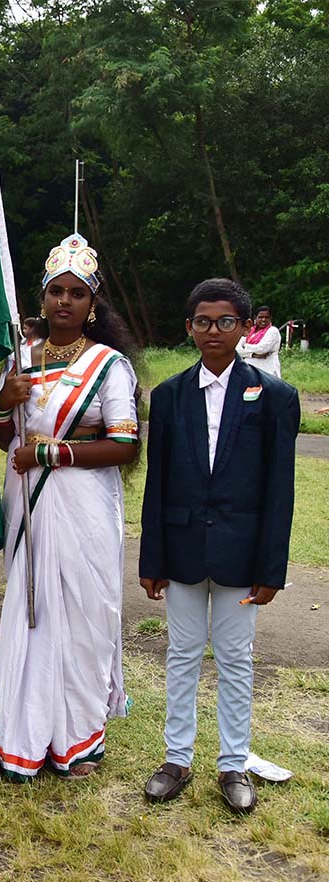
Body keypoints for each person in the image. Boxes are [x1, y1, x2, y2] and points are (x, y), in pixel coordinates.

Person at [140, 278, 299, 814]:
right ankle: (176, 759)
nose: (214, 330)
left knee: (236, 657)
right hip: (182, 549)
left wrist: (270, 567)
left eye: (226, 321)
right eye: (204, 321)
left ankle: (233, 764)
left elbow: (280, 490)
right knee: (181, 654)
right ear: (189, 328)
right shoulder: (167, 396)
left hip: (241, 553)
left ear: (244, 328)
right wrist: (153, 558)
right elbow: (157, 484)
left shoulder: (274, 397)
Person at [0, 233, 140, 780]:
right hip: (29, 505)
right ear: (43, 297)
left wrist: (50, 452)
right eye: (56, 291)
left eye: (77, 294)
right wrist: (3, 406)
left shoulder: (109, 365)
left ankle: (78, 742)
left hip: (84, 506)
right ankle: (27, 738)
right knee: (33, 616)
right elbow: (5, 437)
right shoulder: (21, 360)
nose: (64, 302)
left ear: (92, 305)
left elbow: (125, 445)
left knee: (83, 617)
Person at [236, 305, 282, 378]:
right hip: (249, 368)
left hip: (267, 368)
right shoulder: (249, 331)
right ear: (255, 318)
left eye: (266, 317)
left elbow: (262, 349)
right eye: (260, 317)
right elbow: (237, 350)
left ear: (270, 318)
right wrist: (253, 355)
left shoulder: (273, 331)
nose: (263, 319)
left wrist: (245, 346)